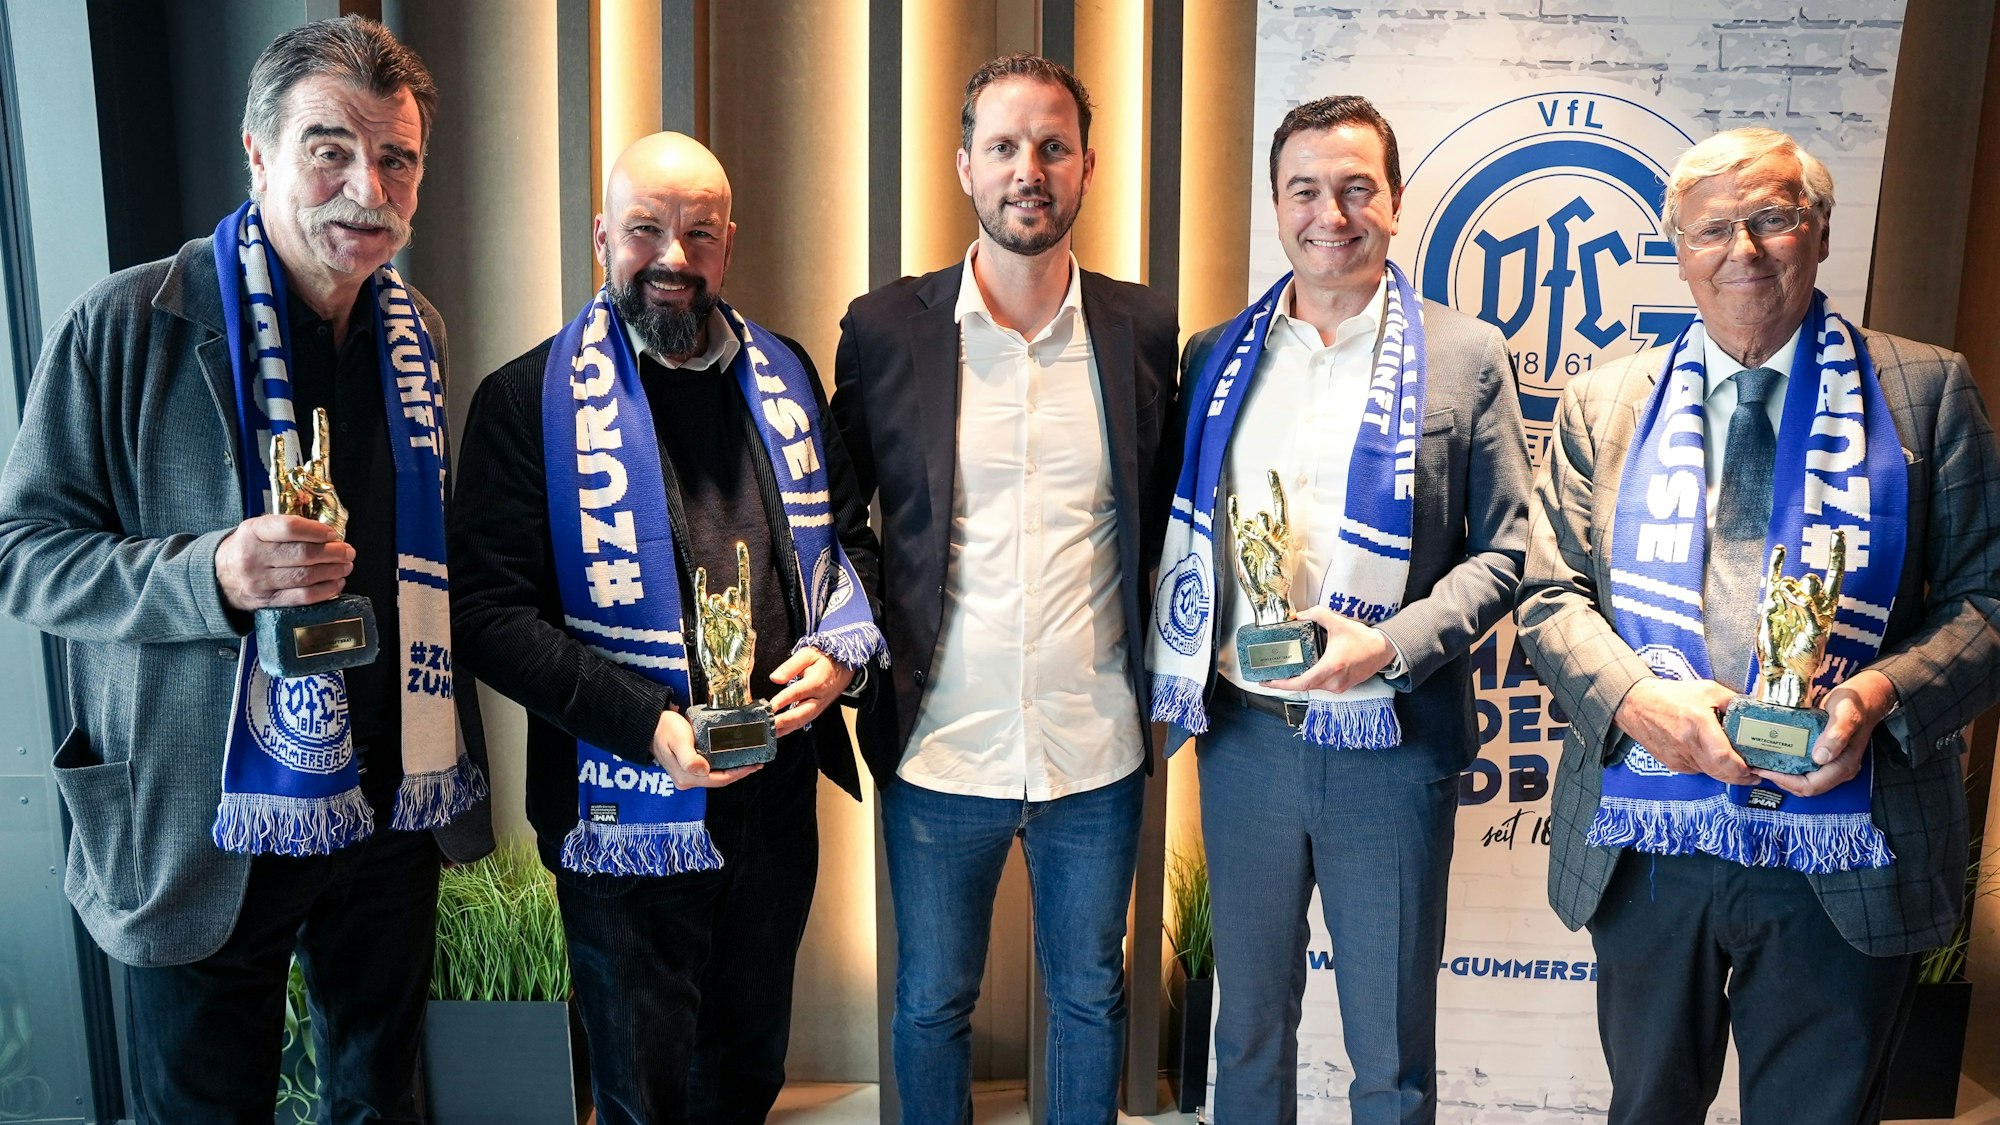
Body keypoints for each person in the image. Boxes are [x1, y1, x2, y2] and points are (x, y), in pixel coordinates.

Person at [0, 17, 490, 1124]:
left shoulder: (421, 334)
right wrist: (208, 576)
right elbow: (21, 553)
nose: (367, 187)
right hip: (198, 815)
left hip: (382, 804)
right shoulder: (126, 321)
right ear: (258, 153)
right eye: (330, 148)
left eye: (397, 158)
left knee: (381, 1102)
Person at [1515, 126, 2000, 1124]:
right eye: (1712, 228)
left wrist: (1872, 697)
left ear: (1816, 235)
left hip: (1844, 840)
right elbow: (1545, 596)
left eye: (1772, 219)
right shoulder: (1601, 402)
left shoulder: (1925, 390)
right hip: (1649, 839)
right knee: (1646, 1107)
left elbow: (1986, 601)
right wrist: (1636, 701)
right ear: (1678, 251)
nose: (1742, 250)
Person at [449, 131, 884, 1125]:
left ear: (728, 241)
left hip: (770, 798)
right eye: (645, 229)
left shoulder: (785, 373)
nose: (672, 256)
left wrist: (839, 657)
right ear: (603, 236)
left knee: (744, 1070)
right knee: (642, 1093)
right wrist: (648, 722)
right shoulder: (524, 401)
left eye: (697, 231)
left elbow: (848, 546)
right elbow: (482, 610)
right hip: (620, 808)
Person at [1147, 95, 1530, 1124]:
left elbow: (1507, 551)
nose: (1331, 212)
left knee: (1390, 1046)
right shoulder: (1215, 356)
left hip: (1391, 746)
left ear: (1394, 202)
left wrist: (1392, 646)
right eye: (1305, 189)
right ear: (1275, 204)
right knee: (1247, 1029)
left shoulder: (1463, 356)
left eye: (1356, 187)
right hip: (1245, 742)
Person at [830, 53, 1179, 1125]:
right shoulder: (886, 328)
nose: (1028, 169)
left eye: (1051, 146)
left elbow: (1165, 523)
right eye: (1003, 147)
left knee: (1088, 998)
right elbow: (844, 524)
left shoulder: (1140, 330)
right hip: (941, 742)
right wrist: (861, 648)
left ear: (1084, 167)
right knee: (932, 1003)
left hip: (1095, 741)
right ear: (963, 168)